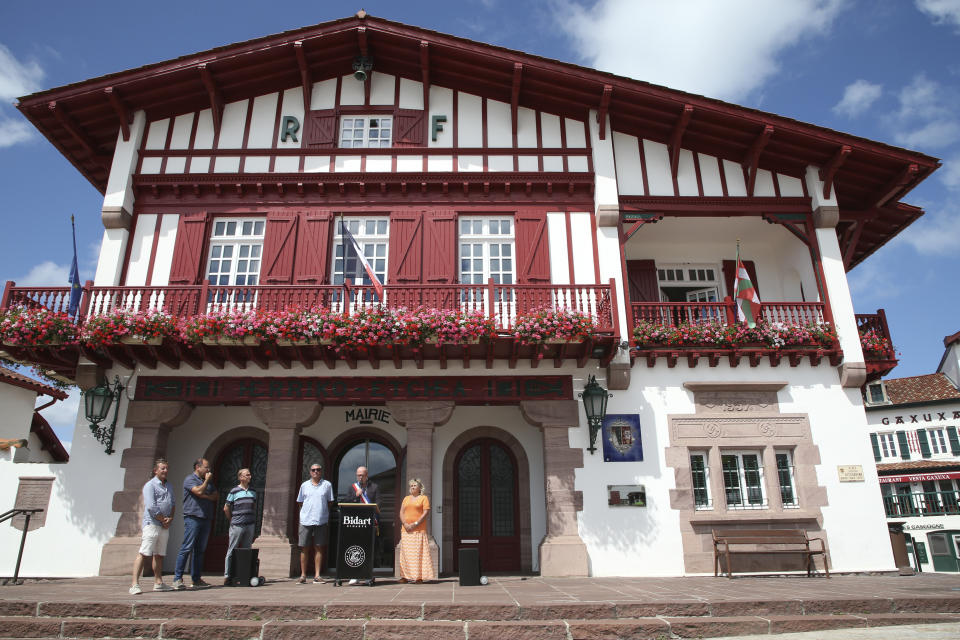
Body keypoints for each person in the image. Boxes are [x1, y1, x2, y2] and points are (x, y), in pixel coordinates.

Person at [130, 458, 175, 594]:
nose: (165, 471)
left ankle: (158, 582)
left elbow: (172, 503)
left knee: (159, 554)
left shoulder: (169, 486)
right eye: (162, 468)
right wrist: (162, 519)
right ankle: (134, 584)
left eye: (167, 468)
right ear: (155, 470)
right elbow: (151, 506)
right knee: (144, 552)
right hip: (152, 523)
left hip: (164, 525)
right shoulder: (150, 485)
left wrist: (170, 519)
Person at [173, 458, 218, 590]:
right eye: (206, 467)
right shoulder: (190, 479)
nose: (208, 470)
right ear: (198, 467)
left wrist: (205, 496)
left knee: (200, 550)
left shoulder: (208, 482)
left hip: (206, 517)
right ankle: (177, 578)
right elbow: (198, 491)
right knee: (187, 547)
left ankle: (196, 579)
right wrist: (206, 483)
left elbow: (216, 496)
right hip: (193, 517)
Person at [296, 462, 335, 584]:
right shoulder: (304, 485)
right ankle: (303, 575)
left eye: (318, 469)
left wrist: (322, 511)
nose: (315, 472)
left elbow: (330, 501)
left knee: (319, 547)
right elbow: (300, 502)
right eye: (313, 470)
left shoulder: (327, 485)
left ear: (321, 471)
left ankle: (317, 575)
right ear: (310, 472)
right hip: (306, 520)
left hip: (320, 519)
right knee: (304, 547)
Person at [223, 467, 257, 585]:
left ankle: (244, 575)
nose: (249, 476)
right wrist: (231, 519)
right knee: (232, 549)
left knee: (247, 549)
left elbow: (253, 506)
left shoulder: (253, 491)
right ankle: (228, 575)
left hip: (249, 524)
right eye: (247, 475)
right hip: (237, 524)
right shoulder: (234, 491)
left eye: (249, 474)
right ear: (240, 477)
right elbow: (226, 507)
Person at [397, 478, 435, 584]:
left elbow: (425, 513)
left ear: (419, 488)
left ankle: (419, 577)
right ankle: (404, 576)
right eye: (411, 486)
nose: (412, 487)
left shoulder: (424, 498)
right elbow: (401, 512)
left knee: (418, 554)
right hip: (406, 530)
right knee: (405, 555)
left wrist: (415, 524)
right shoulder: (406, 499)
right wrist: (405, 524)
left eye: (414, 485)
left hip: (418, 530)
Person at [348, 465, 379, 584]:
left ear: (367, 475)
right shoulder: (352, 488)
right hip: (354, 523)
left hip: (369, 523)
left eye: (362, 475)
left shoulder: (374, 487)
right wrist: (356, 496)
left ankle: (367, 575)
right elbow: (346, 501)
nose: (360, 477)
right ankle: (355, 574)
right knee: (355, 548)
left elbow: (379, 503)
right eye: (358, 475)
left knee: (368, 549)